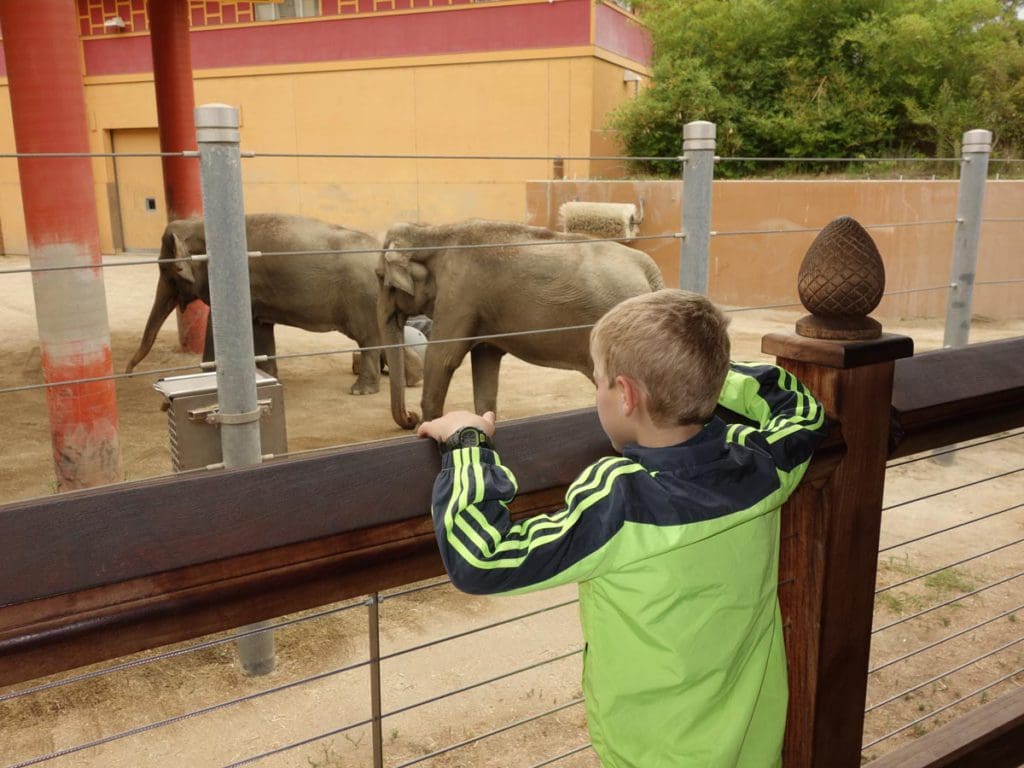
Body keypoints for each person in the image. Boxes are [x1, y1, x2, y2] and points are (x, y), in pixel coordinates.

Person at [416, 289, 828, 768]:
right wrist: (702, 379)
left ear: (627, 395)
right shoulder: (764, 465)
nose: (597, 395)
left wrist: (467, 445)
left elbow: (481, 559)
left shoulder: (623, 499)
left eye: (599, 383)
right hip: (752, 749)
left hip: (651, 754)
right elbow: (800, 409)